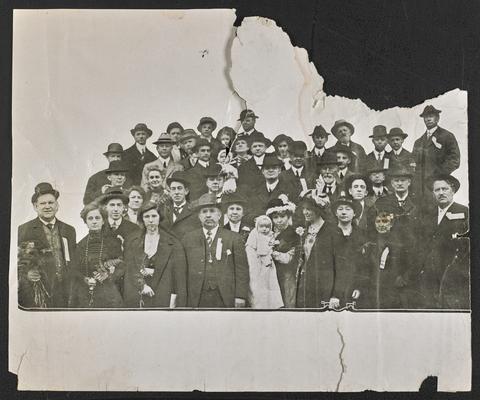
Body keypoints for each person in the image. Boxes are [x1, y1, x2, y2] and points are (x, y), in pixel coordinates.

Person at [182, 193, 249, 308]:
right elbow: (182, 271)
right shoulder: (188, 239)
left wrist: (240, 296)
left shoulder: (233, 238)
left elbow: (241, 271)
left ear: (219, 215)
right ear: (199, 216)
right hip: (196, 296)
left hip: (225, 296)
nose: (208, 215)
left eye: (212, 211)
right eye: (204, 212)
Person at [18, 183, 76, 308]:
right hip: (39, 291)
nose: (47, 206)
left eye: (51, 202)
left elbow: (73, 260)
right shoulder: (23, 230)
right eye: (43, 203)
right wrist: (27, 273)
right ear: (35, 206)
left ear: (57, 205)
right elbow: (16, 263)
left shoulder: (69, 230)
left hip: (65, 290)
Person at [122, 202, 187, 308]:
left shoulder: (173, 243)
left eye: (154, 216)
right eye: (146, 216)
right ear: (142, 219)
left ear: (159, 217)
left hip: (163, 295)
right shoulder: (132, 240)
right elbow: (129, 268)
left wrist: (176, 300)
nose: (150, 220)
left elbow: (179, 276)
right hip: (138, 295)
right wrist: (142, 285)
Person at [418, 175, 469, 309]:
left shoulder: (465, 212)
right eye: (437, 190)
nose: (441, 193)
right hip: (429, 273)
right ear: (433, 193)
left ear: (453, 191)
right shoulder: (428, 215)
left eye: (445, 189)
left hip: (453, 273)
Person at [69, 203, 124, 308]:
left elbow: (122, 265)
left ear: (103, 221)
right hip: (85, 294)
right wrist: (85, 279)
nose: (94, 221)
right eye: (90, 218)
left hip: (109, 295)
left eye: (97, 218)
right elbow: (74, 269)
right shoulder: (80, 245)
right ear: (86, 222)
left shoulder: (113, 242)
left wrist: (108, 275)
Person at [412, 105, 460, 202]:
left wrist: (438, 175)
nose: (428, 119)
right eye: (426, 117)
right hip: (419, 190)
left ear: (437, 118)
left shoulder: (447, 136)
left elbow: (455, 160)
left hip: (438, 187)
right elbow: (413, 163)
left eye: (431, 116)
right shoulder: (418, 142)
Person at [296, 195, 336, 308]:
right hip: (306, 282)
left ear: (318, 209)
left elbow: (338, 263)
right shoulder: (304, 230)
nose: (305, 212)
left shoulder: (332, 230)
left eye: (309, 209)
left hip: (325, 283)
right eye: (303, 209)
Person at [330, 197, 367, 308]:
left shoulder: (362, 235)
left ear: (354, 213)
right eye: (340, 209)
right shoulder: (328, 234)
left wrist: (359, 287)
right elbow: (325, 268)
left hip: (354, 289)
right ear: (336, 213)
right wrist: (332, 294)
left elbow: (365, 265)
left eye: (348, 209)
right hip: (333, 292)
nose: (344, 212)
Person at [265, 197, 299, 308]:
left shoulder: (294, 234)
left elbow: (289, 258)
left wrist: (272, 253)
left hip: (286, 275)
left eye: (282, 216)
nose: (279, 220)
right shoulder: (267, 232)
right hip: (270, 275)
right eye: (275, 217)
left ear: (288, 216)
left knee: (287, 302)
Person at [246, 215, 284, 309]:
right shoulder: (257, 235)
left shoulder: (269, 235)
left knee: (269, 283)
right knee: (257, 283)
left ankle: (269, 304)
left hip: (266, 262)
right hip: (257, 262)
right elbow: (261, 251)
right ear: (257, 226)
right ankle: (259, 304)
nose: (264, 229)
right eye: (261, 226)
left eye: (267, 227)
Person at [160, 171, 199, 239]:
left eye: (179, 188)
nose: (176, 192)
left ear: (186, 191)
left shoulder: (194, 211)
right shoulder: (163, 210)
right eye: (173, 189)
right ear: (170, 192)